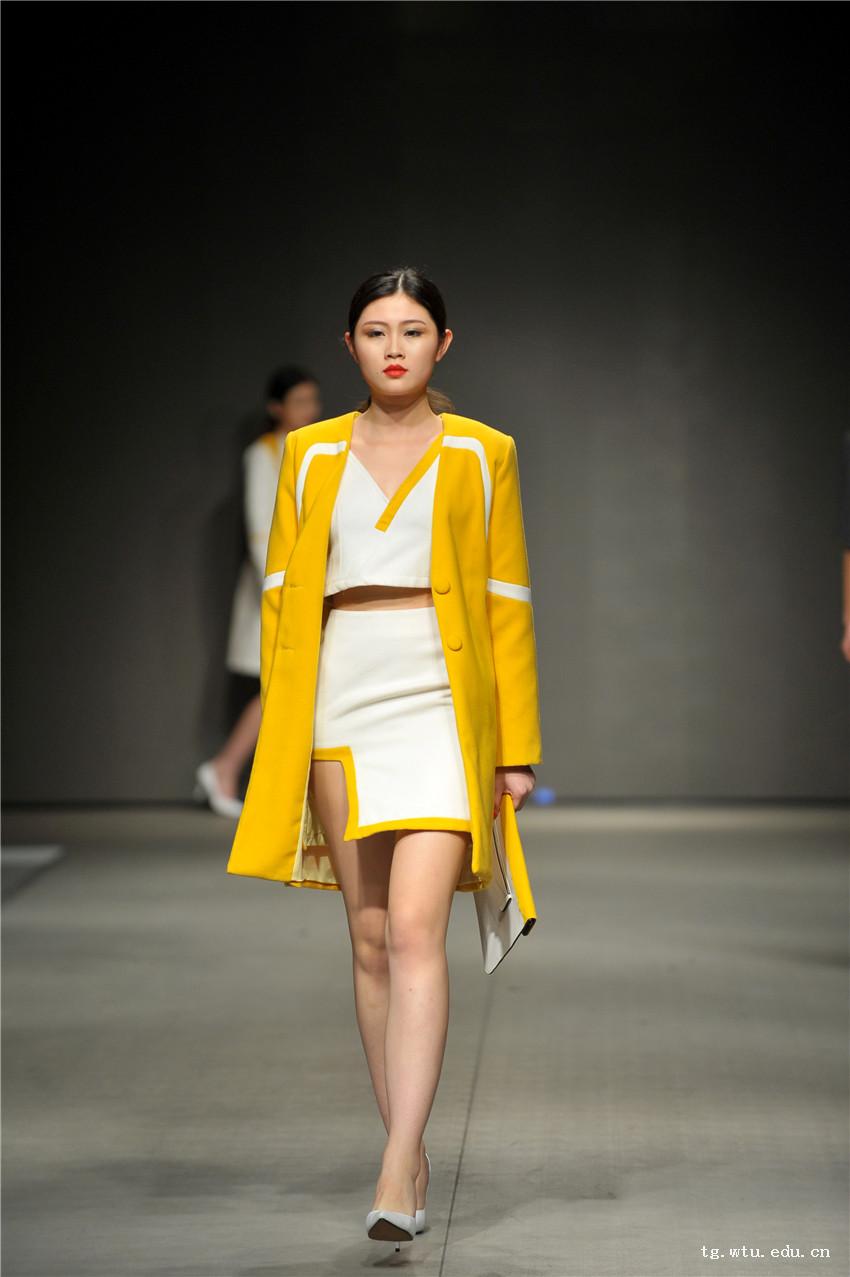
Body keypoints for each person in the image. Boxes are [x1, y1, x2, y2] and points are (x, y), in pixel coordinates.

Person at [225, 266, 543, 1249]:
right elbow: (283, 596)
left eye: (411, 330)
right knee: (367, 936)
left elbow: (506, 599)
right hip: (341, 697)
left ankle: (399, 1160)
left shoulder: (483, 451)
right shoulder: (310, 452)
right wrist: (284, 724)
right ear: (349, 345)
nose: (394, 346)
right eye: (375, 330)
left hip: (444, 699)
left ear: (443, 343)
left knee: (413, 927)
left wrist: (517, 748)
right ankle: (404, 1143)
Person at [194, 367, 321, 816]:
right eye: (300, 401)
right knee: (283, 685)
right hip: (281, 587)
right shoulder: (263, 453)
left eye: (313, 400)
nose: (310, 410)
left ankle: (233, 771)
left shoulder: (315, 448)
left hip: (310, 582)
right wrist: (288, 586)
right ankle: (226, 768)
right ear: (276, 408)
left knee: (295, 687)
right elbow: (261, 530)